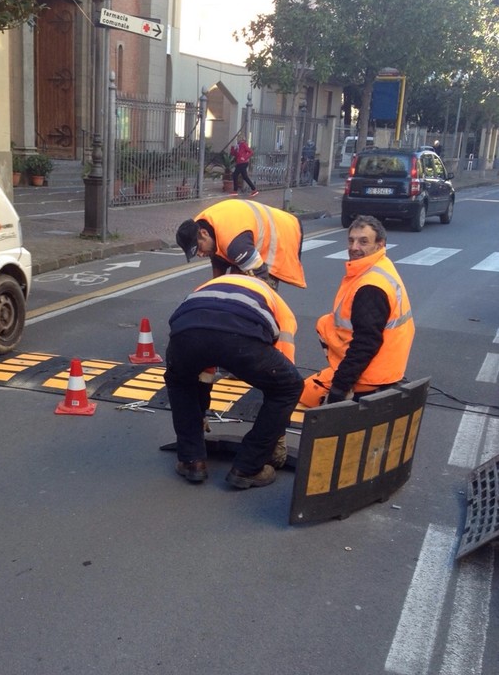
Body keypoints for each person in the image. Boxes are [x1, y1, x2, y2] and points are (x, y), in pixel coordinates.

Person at [165, 273, 304, 488]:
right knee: (289, 386)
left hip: (186, 333)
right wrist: (278, 433)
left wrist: (200, 412)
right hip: (239, 337)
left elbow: (204, 367)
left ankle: (192, 461)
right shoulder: (280, 307)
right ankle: (248, 468)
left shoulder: (208, 285)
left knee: (181, 383)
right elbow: (283, 370)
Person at [300, 214, 415, 407]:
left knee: (305, 397)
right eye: (351, 240)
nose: (354, 248)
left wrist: (340, 388)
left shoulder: (370, 287)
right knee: (325, 322)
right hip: (387, 368)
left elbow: (365, 344)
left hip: (369, 377)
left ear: (380, 244)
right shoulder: (380, 266)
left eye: (363, 242)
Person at [175, 198, 306, 291]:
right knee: (234, 286)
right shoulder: (201, 227)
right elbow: (218, 263)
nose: (200, 254)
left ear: (203, 234)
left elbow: (261, 277)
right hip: (245, 231)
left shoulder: (235, 245)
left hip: (280, 232)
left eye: (198, 249)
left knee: (258, 292)